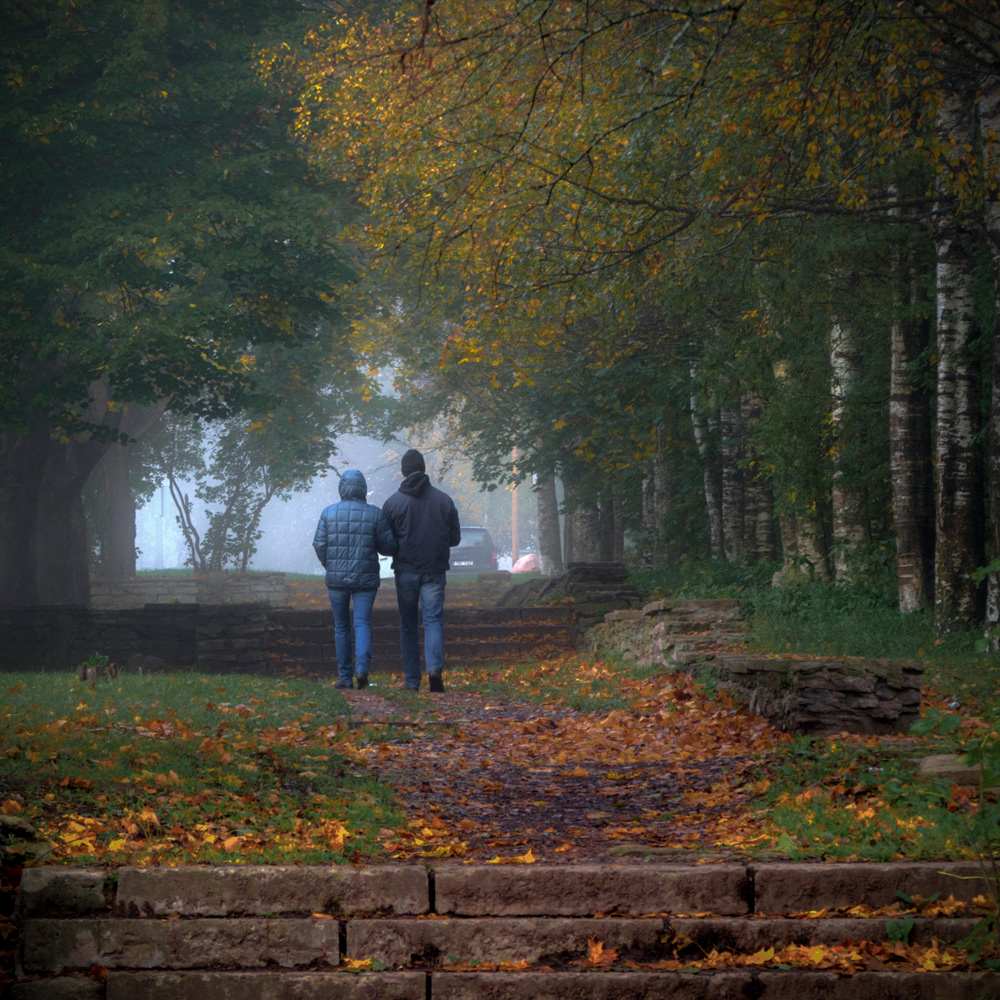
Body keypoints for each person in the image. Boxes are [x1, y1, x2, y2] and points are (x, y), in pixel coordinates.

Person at [381, 449, 461, 692]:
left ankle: (412, 681)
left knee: (407, 624)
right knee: (433, 620)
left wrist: (400, 548)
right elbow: (455, 538)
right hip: (434, 570)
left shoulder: (392, 503)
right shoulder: (444, 500)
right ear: (424, 468)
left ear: (403, 472)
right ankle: (435, 669)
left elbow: (386, 544)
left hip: (405, 570)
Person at [312, 469, 398, 690]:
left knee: (341, 627)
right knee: (361, 623)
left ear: (342, 488)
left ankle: (345, 678)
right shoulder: (375, 514)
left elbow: (319, 544)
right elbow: (389, 547)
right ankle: (362, 669)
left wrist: (330, 565)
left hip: (336, 579)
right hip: (365, 578)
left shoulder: (327, 513)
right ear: (363, 489)